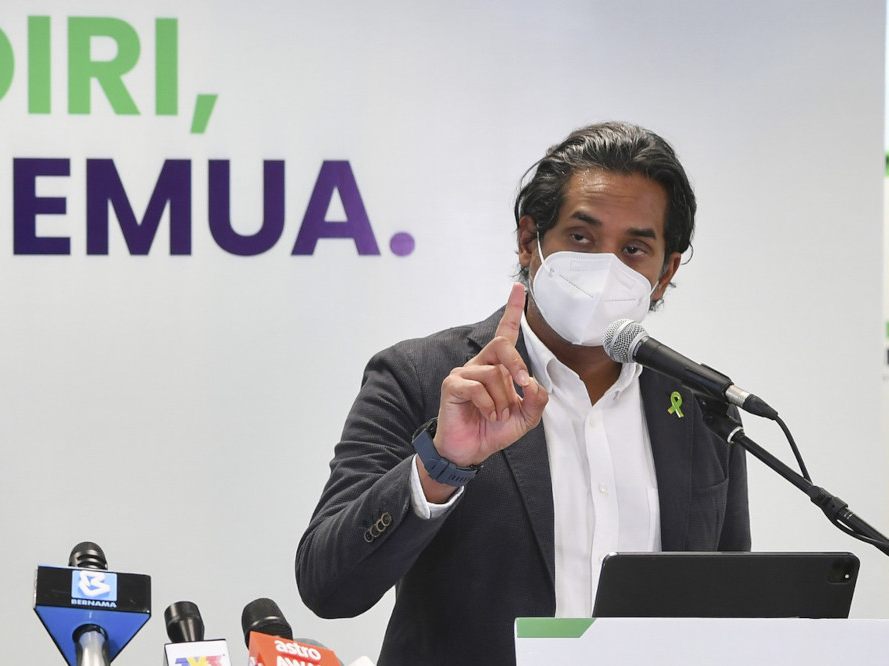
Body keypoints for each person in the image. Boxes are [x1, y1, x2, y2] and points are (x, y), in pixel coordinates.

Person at [295, 121, 750, 665]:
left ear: (666, 271)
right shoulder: (422, 376)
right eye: (581, 238)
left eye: (634, 248)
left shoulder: (703, 407)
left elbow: (727, 613)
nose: (605, 267)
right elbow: (328, 586)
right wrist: (440, 463)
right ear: (529, 240)